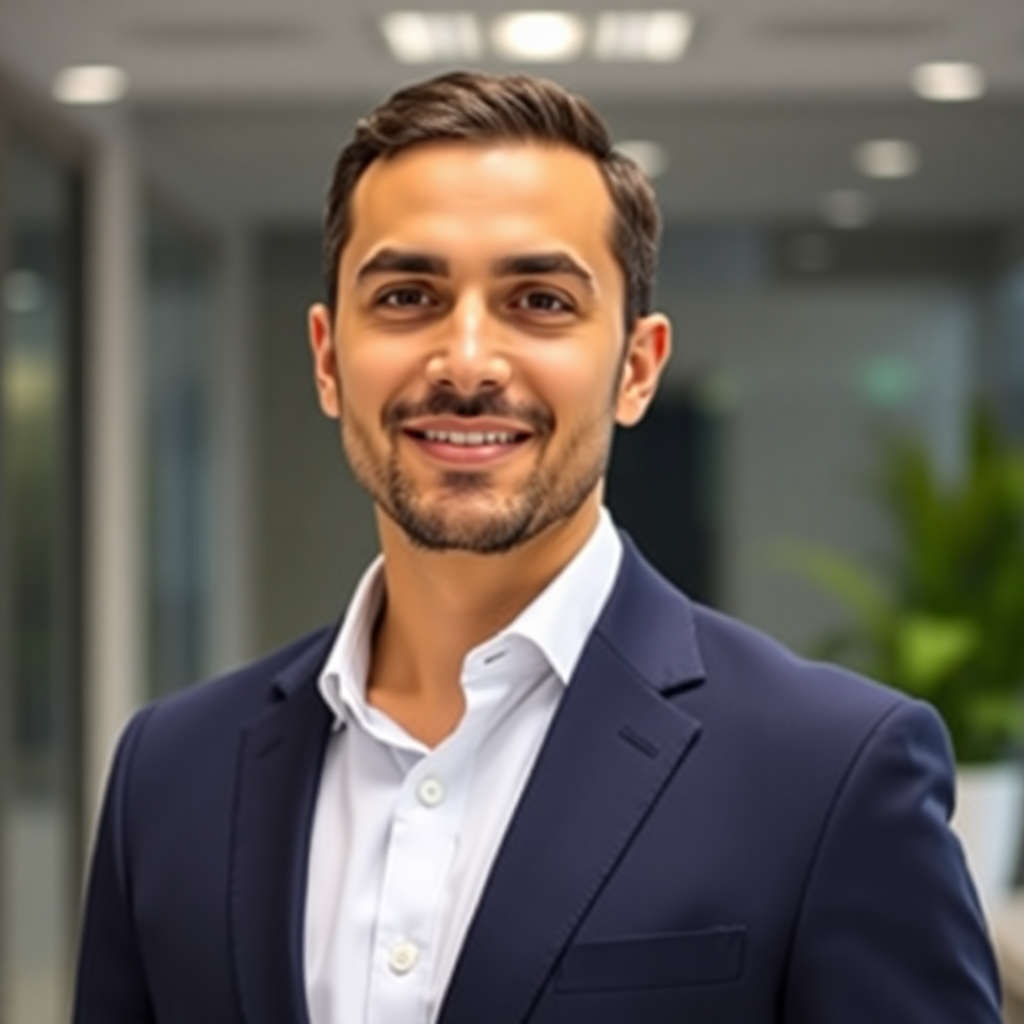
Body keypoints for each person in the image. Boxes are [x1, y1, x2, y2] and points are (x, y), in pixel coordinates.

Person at [73, 70, 1001, 1024]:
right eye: (405, 296)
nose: (468, 361)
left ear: (636, 369)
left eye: (541, 301)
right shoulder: (170, 775)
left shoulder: (831, 774)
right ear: (326, 359)